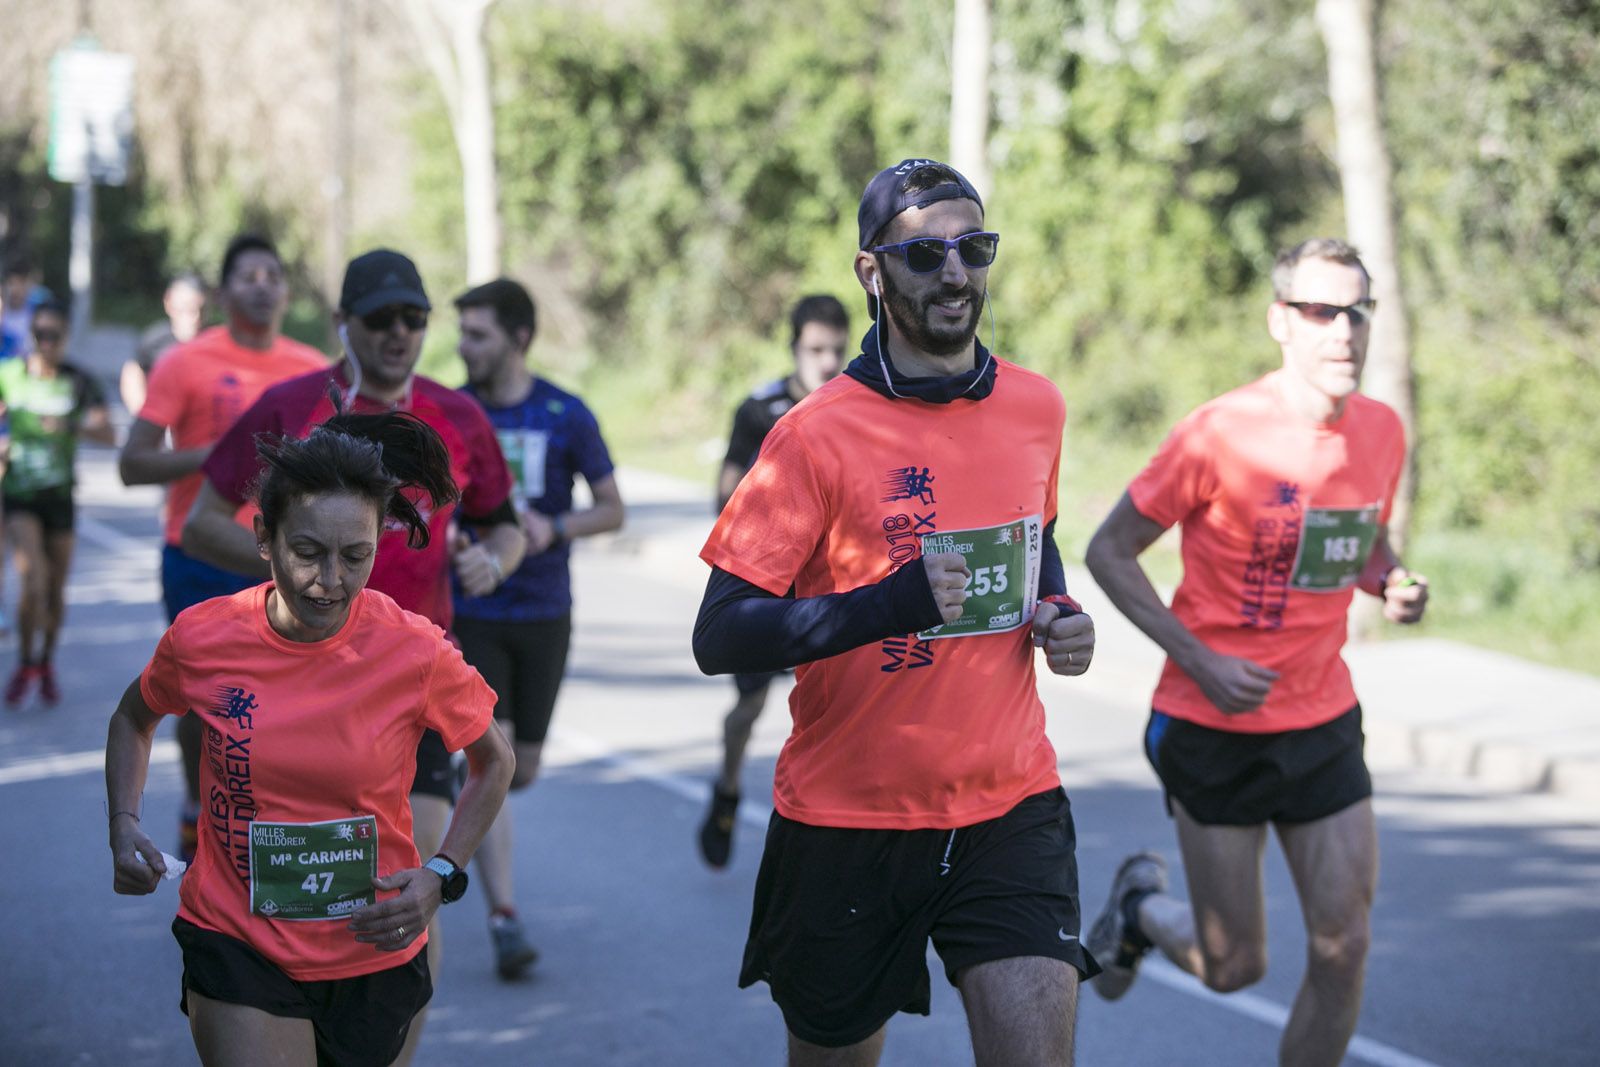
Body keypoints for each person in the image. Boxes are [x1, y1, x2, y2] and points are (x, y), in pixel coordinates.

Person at [693, 158, 1099, 1066]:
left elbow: (1036, 533)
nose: (954, 272)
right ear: (871, 272)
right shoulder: (812, 435)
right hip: (849, 820)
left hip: (1009, 804)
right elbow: (720, 633)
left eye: (973, 248)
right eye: (924, 255)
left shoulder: (1036, 405)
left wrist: (1058, 608)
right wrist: (890, 604)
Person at [1082, 238, 1430, 1067]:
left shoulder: (1382, 431)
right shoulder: (1218, 432)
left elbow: (1361, 540)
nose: (1343, 330)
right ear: (1281, 321)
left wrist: (1390, 581)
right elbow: (1109, 551)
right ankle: (1140, 911)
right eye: (1321, 311)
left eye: (1358, 311)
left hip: (1321, 716)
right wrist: (1201, 660)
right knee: (1236, 965)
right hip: (1211, 723)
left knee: (1344, 945)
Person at [183, 247, 525, 1058]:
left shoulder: (454, 414)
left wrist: (495, 559)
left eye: (415, 318)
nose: (399, 333)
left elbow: (503, 521)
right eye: (380, 319)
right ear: (343, 323)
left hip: (408, 690)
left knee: (406, 897)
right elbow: (199, 523)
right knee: (301, 898)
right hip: (288, 687)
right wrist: (300, 574)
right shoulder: (289, 406)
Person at [107, 410, 517, 1067]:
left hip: (371, 949)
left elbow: (494, 761)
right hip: (236, 937)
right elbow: (134, 717)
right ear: (263, 538)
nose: (330, 580)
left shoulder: (414, 650)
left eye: (355, 556)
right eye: (307, 552)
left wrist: (443, 872)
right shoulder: (204, 637)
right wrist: (124, 822)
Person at [119, 235, 327, 863]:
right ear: (223, 292)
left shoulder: (313, 368)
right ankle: (197, 803)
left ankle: (274, 826)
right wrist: (221, 456)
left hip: (288, 558)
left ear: (286, 291)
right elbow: (133, 463)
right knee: (205, 702)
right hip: (201, 553)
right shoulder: (185, 362)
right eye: (248, 276)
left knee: (292, 698)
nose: (263, 287)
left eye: (273, 276)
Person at [450, 277, 625, 980]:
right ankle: (504, 916)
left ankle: (475, 793)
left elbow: (611, 508)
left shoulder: (564, 412)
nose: (464, 347)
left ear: (518, 338)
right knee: (491, 757)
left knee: (521, 767)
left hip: (545, 609)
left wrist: (556, 526)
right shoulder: (451, 414)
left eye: (479, 335)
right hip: (473, 613)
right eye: (462, 333)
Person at [696, 293, 848, 869]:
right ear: (793, 348)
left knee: (838, 704)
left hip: (833, 589)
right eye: (816, 349)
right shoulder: (760, 410)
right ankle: (727, 788)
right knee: (750, 707)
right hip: (772, 589)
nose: (827, 362)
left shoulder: (855, 407)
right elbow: (727, 492)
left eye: (836, 350)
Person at [0, 300, 114, 705]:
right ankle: (25, 660)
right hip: (19, 495)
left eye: (54, 335)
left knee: (55, 589)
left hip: (60, 497)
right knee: (33, 579)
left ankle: (45, 662)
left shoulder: (78, 381)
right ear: (30, 335)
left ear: (66, 337)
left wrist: (70, 425)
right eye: (39, 334)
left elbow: (109, 435)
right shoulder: (9, 375)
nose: (46, 343)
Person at [120, 273, 207, 416]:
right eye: (186, 308)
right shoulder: (155, 339)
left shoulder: (214, 339)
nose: (194, 317)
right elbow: (133, 372)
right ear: (168, 303)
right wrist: (144, 414)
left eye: (200, 309)